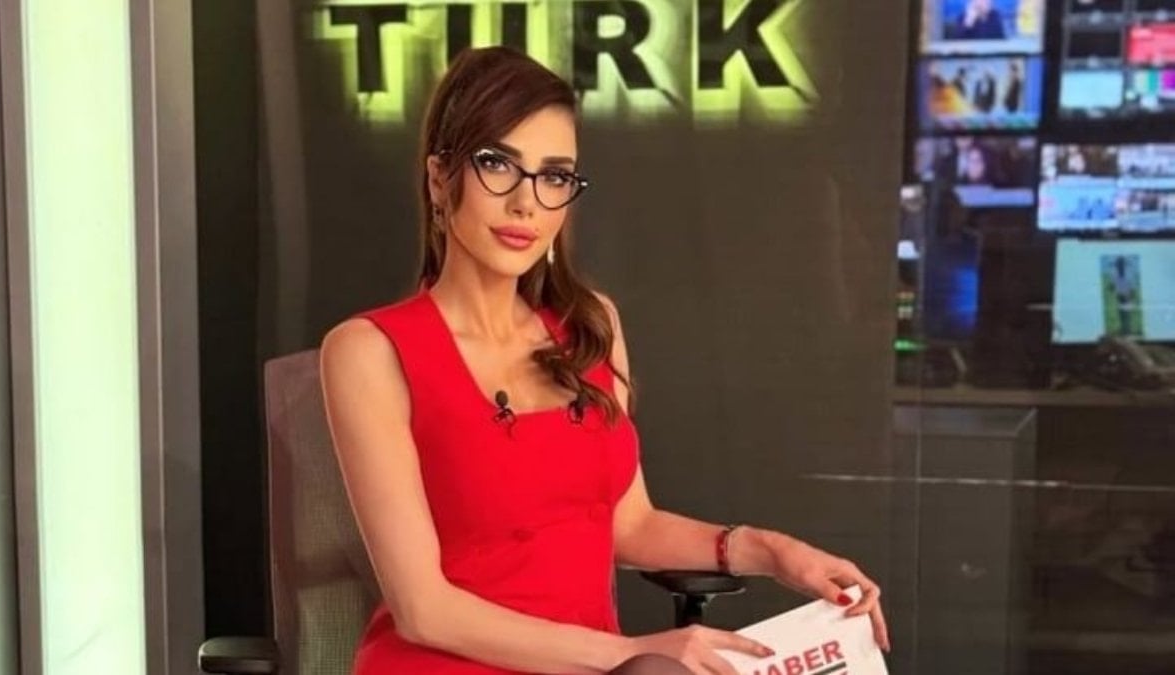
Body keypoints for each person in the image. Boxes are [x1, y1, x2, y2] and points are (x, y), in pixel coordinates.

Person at [319, 46, 890, 675]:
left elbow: (629, 524)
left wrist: (772, 551)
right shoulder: (368, 351)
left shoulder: (590, 326)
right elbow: (423, 611)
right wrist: (630, 652)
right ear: (438, 178)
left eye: (554, 176)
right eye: (497, 165)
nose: (526, 203)